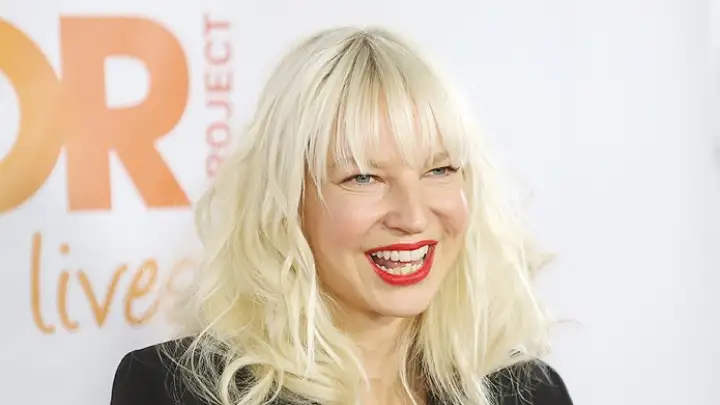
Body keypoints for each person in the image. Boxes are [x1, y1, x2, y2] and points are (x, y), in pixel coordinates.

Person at [110, 26, 574, 405]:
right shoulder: (173, 391)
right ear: (286, 201)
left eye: (439, 170)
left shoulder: (530, 393)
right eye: (364, 177)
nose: (413, 216)